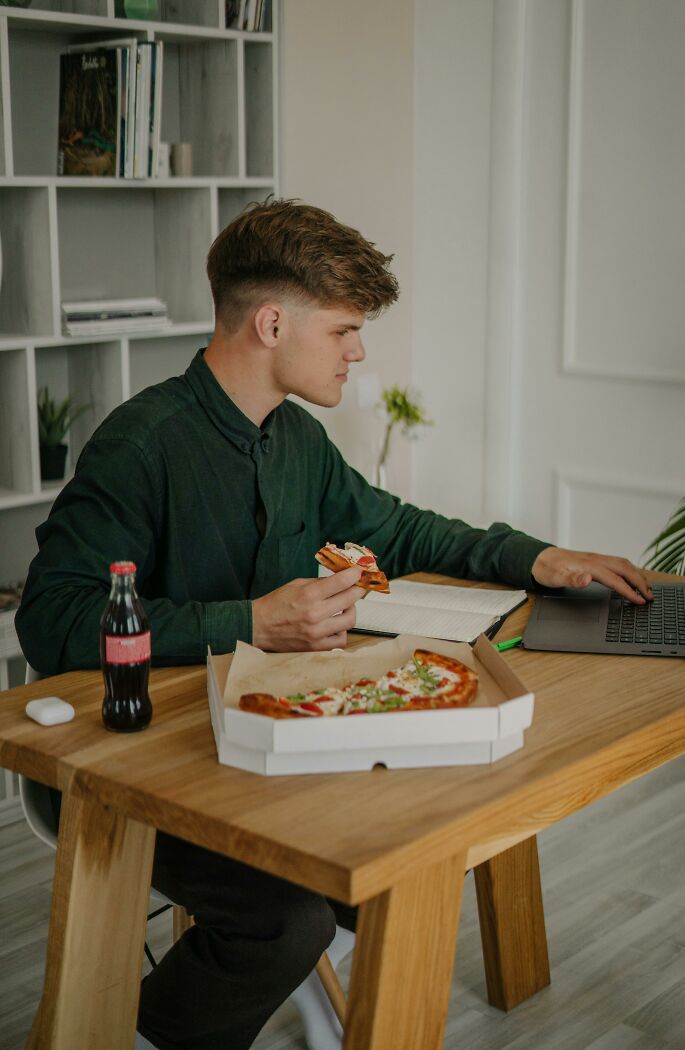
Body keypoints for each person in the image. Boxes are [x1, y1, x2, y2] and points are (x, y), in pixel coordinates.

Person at [15, 199, 652, 1050]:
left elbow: (404, 529)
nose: (359, 352)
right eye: (346, 329)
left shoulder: (296, 441)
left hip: (259, 739)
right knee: (287, 921)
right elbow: (51, 617)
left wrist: (542, 560)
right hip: (130, 761)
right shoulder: (141, 446)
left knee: (402, 856)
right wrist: (249, 621)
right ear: (272, 322)